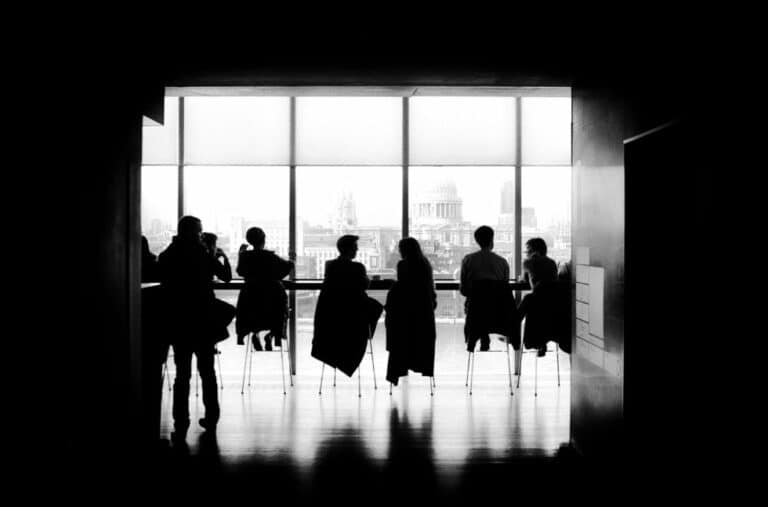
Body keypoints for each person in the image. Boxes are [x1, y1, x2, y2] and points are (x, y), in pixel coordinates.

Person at [158, 216, 232, 442]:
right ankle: (211, 418)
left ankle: (181, 423)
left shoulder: (168, 255)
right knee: (207, 372)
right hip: (203, 320)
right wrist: (221, 256)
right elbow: (226, 278)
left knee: (182, 375)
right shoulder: (203, 255)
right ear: (193, 232)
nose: (201, 235)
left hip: (179, 321)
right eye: (199, 231)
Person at [311, 234, 384, 377]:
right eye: (355, 248)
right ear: (350, 249)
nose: (357, 250)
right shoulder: (358, 267)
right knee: (376, 307)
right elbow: (364, 285)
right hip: (352, 317)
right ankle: (367, 335)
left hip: (333, 317)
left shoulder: (329, 265)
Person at [384, 237, 437, 385]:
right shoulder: (425, 264)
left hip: (406, 314)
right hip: (423, 313)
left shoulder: (403, 264)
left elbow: (404, 288)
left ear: (404, 250)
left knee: (397, 337)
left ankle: (395, 374)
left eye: (400, 249)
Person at [235, 227, 294, 351]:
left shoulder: (245, 256)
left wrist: (240, 255)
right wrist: (292, 259)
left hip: (251, 294)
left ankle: (255, 333)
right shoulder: (270, 256)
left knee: (254, 312)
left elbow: (240, 271)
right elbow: (285, 269)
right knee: (280, 310)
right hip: (273, 295)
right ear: (264, 240)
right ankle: (273, 335)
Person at [460, 225, 516, 351]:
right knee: (487, 303)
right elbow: (504, 289)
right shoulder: (502, 262)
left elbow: (464, 290)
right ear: (492, 240)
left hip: (476, 313)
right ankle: (484, 335)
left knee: (478, 304)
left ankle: (480, 336)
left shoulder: (468, 260)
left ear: (477, 241)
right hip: (499, 312)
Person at [518, 237, 559, 356]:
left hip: (536, 301)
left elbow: (524, 280)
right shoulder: (552, 263)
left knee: (527, 301)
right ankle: (542, 341)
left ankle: (512, 333)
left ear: (534, 251)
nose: (527, 254)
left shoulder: (528, 263)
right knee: (536, 305)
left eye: (528, 251)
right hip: (552, 303)